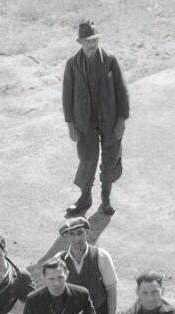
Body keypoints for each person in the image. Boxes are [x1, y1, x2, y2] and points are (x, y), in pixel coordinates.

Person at [61, 21, 128, 218]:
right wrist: (70, 124)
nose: (92, 44)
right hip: (85, 123)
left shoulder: (110, 60)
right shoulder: (72, 65)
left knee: (110, 159)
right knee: (87, 159)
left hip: (109, 120)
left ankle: (106, 199)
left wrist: (122, 120)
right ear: (80, 41)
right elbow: (67, 96)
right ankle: (85, 198)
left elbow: (122, 91)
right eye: (87, 41)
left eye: (95, 39)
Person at [48, 215, 118, 314]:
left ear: (87, 233)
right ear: (66, 236)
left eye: (80, 233)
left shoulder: (101, 256)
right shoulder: (59, 260)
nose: (76, 239)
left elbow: (112, 292)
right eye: (71, 234)